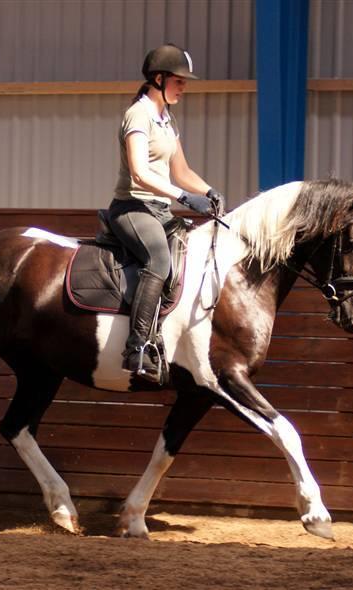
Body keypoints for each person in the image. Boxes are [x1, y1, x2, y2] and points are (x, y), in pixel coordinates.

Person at [108, 43, 226, 383]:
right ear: (158, 79)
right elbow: (139, 173)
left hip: (159, 209)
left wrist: (208, 190)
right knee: (159, 260)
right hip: (132, 208)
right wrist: (185, 199)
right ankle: (138, 347)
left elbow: (181, 170)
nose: (184, 87)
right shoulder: (138, 115)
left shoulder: (166, 119)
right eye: (179, 80)